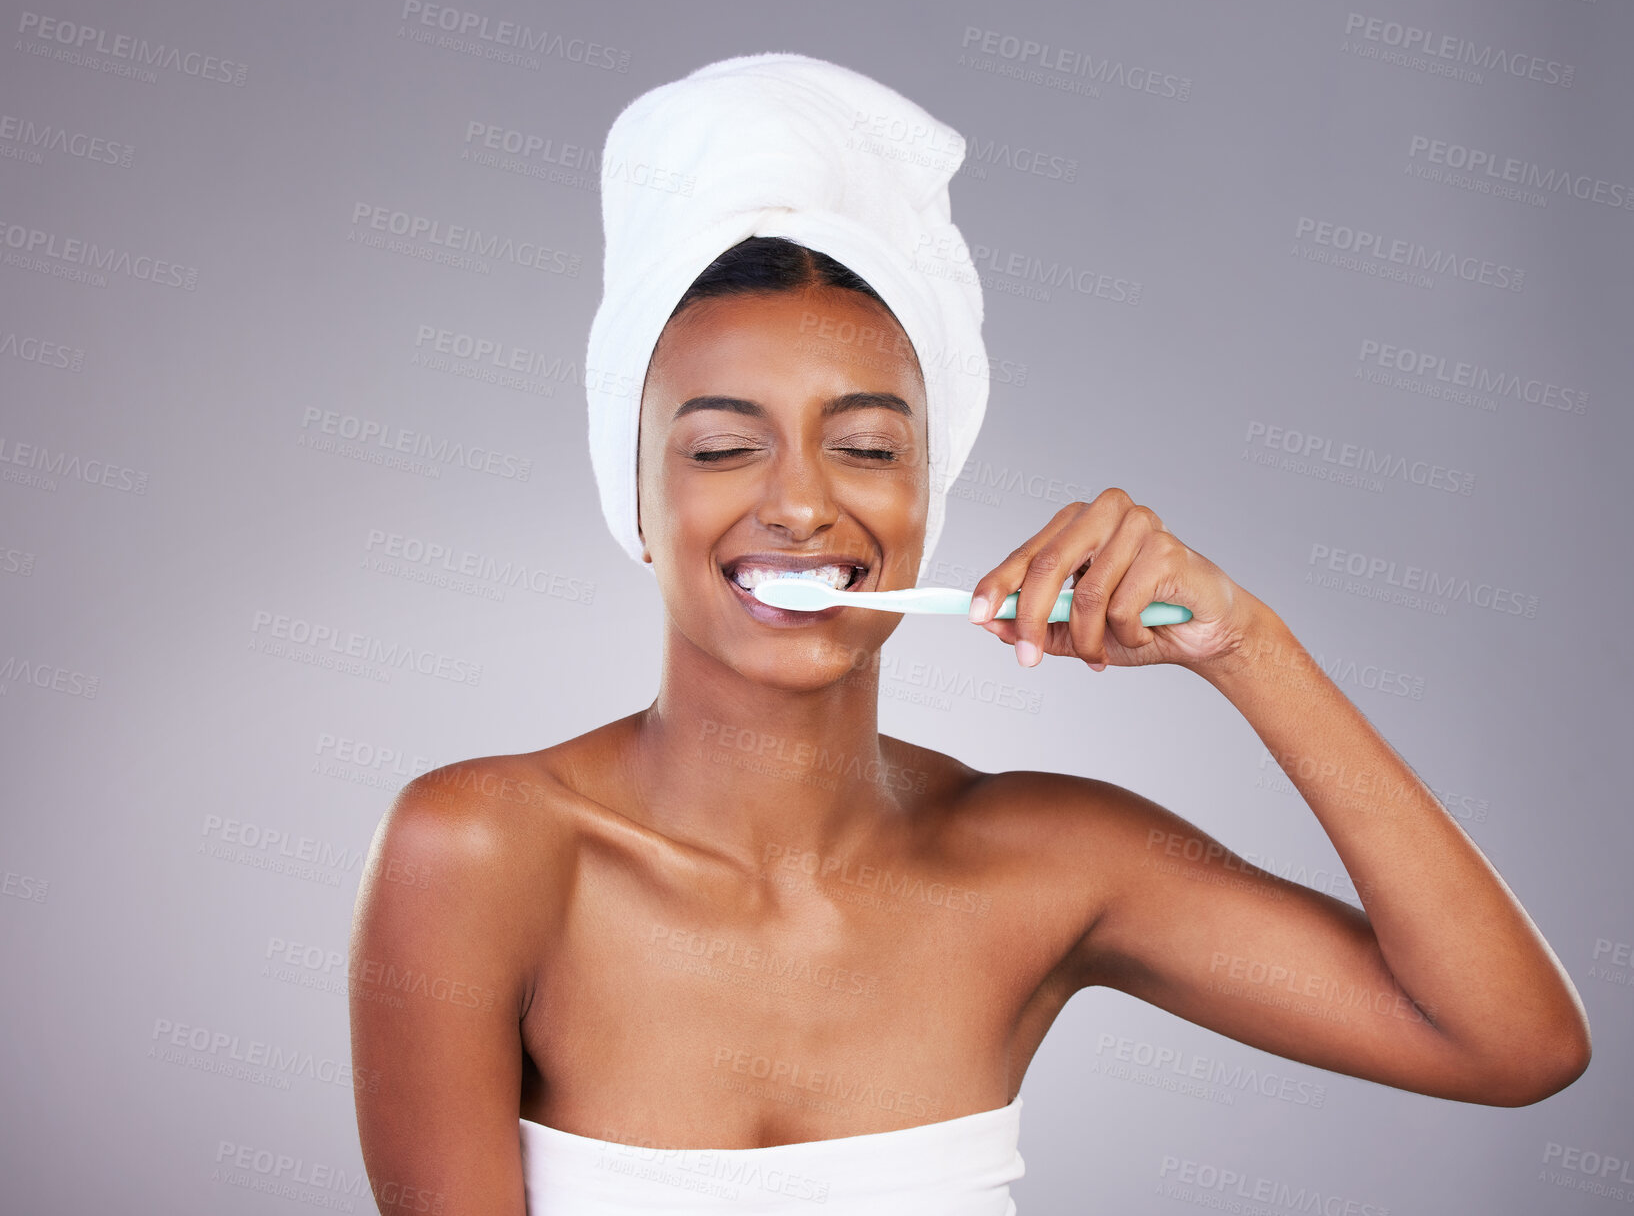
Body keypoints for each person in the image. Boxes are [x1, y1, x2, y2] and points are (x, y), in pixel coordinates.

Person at [349, 60, 1591, 1216]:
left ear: (925, 499)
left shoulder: (1049, 858)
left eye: (868, 446)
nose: (797, 499)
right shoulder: (478, 851)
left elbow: (1507, 1041)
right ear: (631, 499)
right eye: (723, 446)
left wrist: (1246, 645)